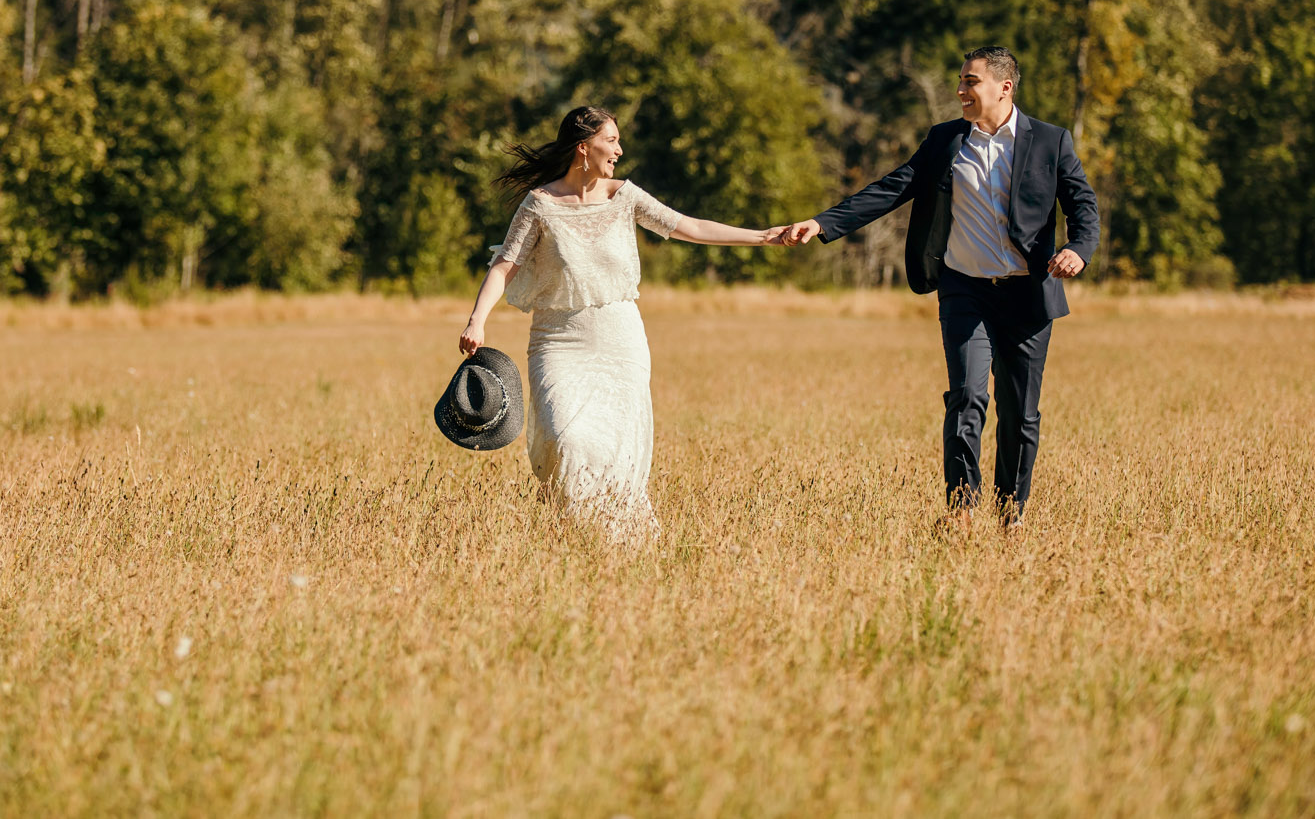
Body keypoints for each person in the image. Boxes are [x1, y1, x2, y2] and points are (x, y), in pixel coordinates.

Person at [782, 47, 1099, 528]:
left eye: (970, 82)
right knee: (967, 396)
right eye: (960, 81)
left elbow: (1083, 206)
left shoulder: (1051, 142)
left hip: (1027, 294)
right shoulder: (946, 140)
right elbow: (892, 188)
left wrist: (1077, 248)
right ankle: (962, 509)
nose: (960, 91)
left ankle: (1010, 512)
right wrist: (823, 223)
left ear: (1003, 87)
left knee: (1020, 414)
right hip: (964, 291)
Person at [460, 105, 788, 539]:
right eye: (611, 140)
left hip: (621, 341)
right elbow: (504, 265)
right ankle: (576, 529)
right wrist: (476, 320)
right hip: (559, 342)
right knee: (566, 438)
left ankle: (609, 545)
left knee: (614, 448)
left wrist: (762, 236)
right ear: (583, 147)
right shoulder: (541, 204)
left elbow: (687, 227)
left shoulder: (624, 196)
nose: (619, 149)